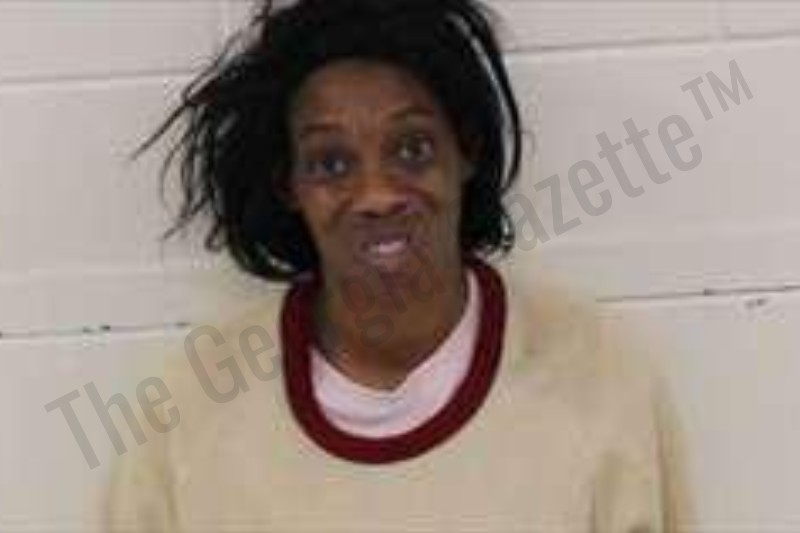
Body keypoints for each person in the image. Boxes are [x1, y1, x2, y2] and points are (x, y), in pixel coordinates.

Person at [104, 0, 693, 531]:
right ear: (289, 184)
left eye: (412, 149)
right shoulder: (188, 408)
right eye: (332, 163)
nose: (377, 195)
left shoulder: (599, 376)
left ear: (466, 149)